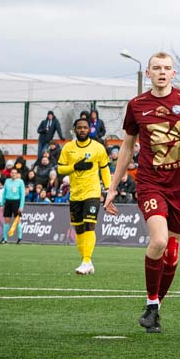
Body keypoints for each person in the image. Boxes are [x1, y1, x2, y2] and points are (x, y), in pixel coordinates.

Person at [104, 53, 180, 334]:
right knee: (158, 241)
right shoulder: (137, 105)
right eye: (156, 68)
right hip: (150, 183)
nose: (161, 72)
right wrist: (112, 187)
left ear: (173, 73)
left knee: (171, 253)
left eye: (167, 68)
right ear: (148, 73)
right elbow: (127, 147)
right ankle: (151, 304)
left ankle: (155, 308)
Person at [59, 117, 111, 275]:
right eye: (79, 127)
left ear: (90, 129)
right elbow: (60, 169)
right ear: (74, 130)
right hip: (75, 194)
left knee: (89, 224)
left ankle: (86, 260)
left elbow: (104, 169)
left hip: (92, 192)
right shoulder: (68, 148)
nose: (82, 130)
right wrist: (75, 166)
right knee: (79, 229)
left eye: (85, 127)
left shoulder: (98, 148)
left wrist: (108, 189)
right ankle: (86, 261)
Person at [0, 168, 26, 244]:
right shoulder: (7, 181)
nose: (13, 174)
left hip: (16, 202)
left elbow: (22, 195)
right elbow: (4, 193)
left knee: (17, 220)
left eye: (15, 173)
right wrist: (2, 203)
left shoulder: (20, 182)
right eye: (12, 173)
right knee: (6, 220)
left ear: (17, 174)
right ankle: (5, 238)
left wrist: (21, 206)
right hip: (8, 202)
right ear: (10, 174)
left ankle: (19, 238)